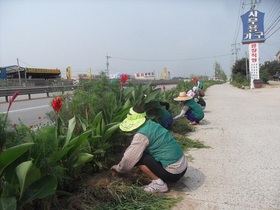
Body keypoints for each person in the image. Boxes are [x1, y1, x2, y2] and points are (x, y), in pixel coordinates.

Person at [111, 106, 188, 193]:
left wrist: (118, 169)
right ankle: (159, 175)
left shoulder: (141, 135)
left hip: (174, 173)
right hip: (183, 167)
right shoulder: (151, 124)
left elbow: (129, 158)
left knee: (139, 157)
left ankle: (159, 184)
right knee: (144, 151)